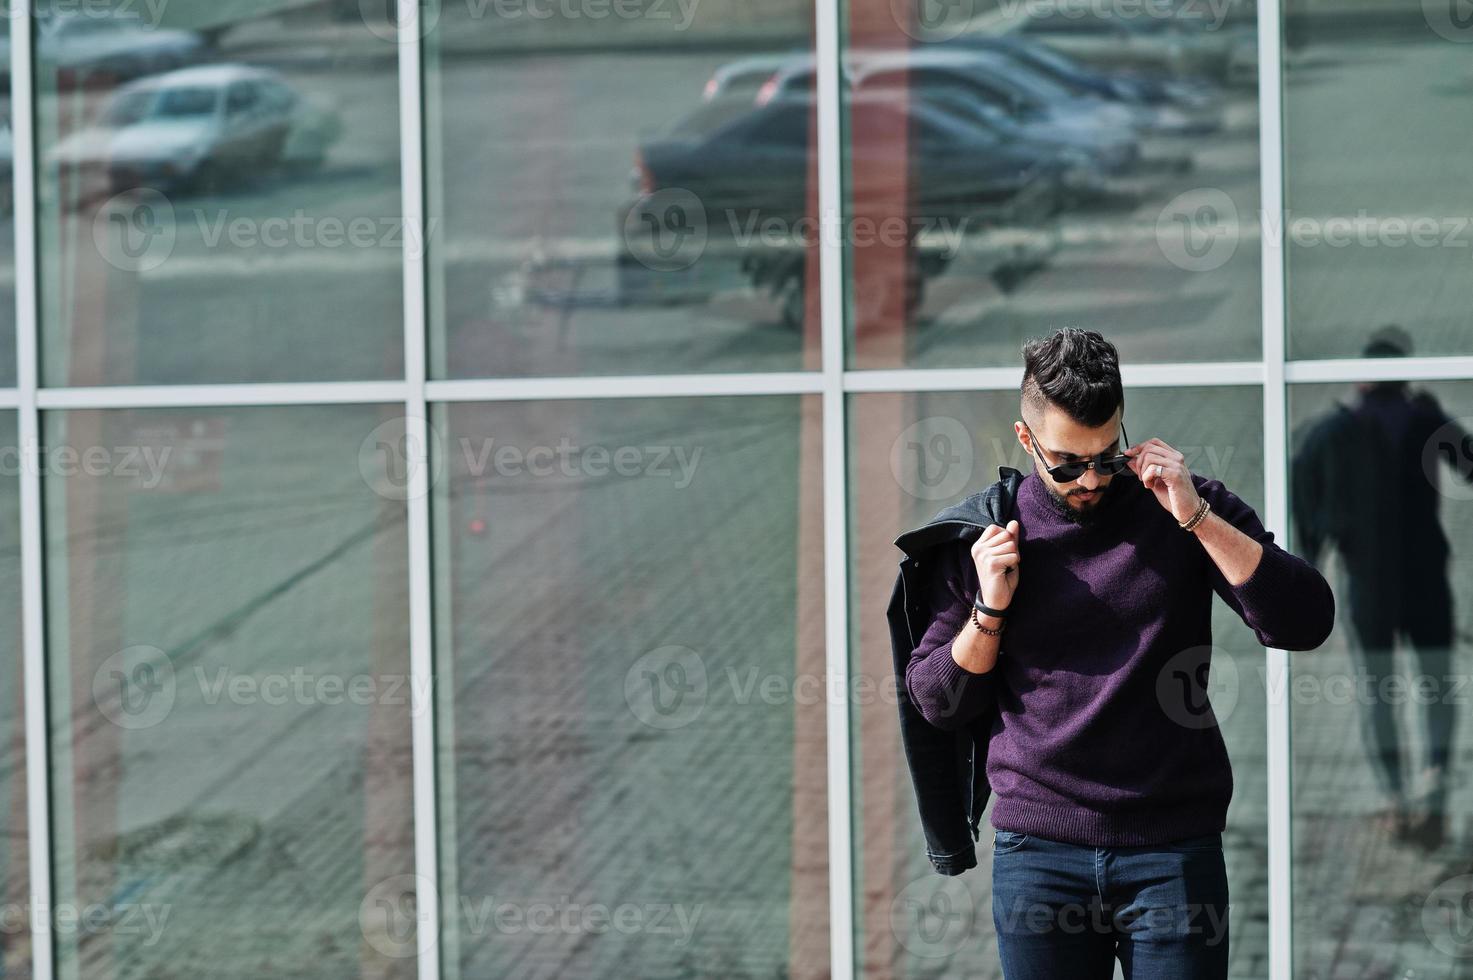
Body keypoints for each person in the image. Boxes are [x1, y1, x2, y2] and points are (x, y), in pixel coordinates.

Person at [902, 327, 1335, 978]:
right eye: (1067, 462)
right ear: (1025, 442)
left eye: (1106, 455)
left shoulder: (1183, 507)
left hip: (1170, 850)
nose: (1090, 479)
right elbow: (935, 700)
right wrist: (988, 609)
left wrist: (1196, 520)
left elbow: (1304, 620)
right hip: (1037, 854)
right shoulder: (989, 537)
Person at [1290, 324, 1472, 851]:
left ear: (1363, 382)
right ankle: (1434, 779)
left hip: (1368, 586)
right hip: (1426, 580)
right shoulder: (1424, 419)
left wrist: (1310, 568)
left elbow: (1305, 506)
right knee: (1436, 683)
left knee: (1378, 693)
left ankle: (1395, 797)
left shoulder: (1329, 433)